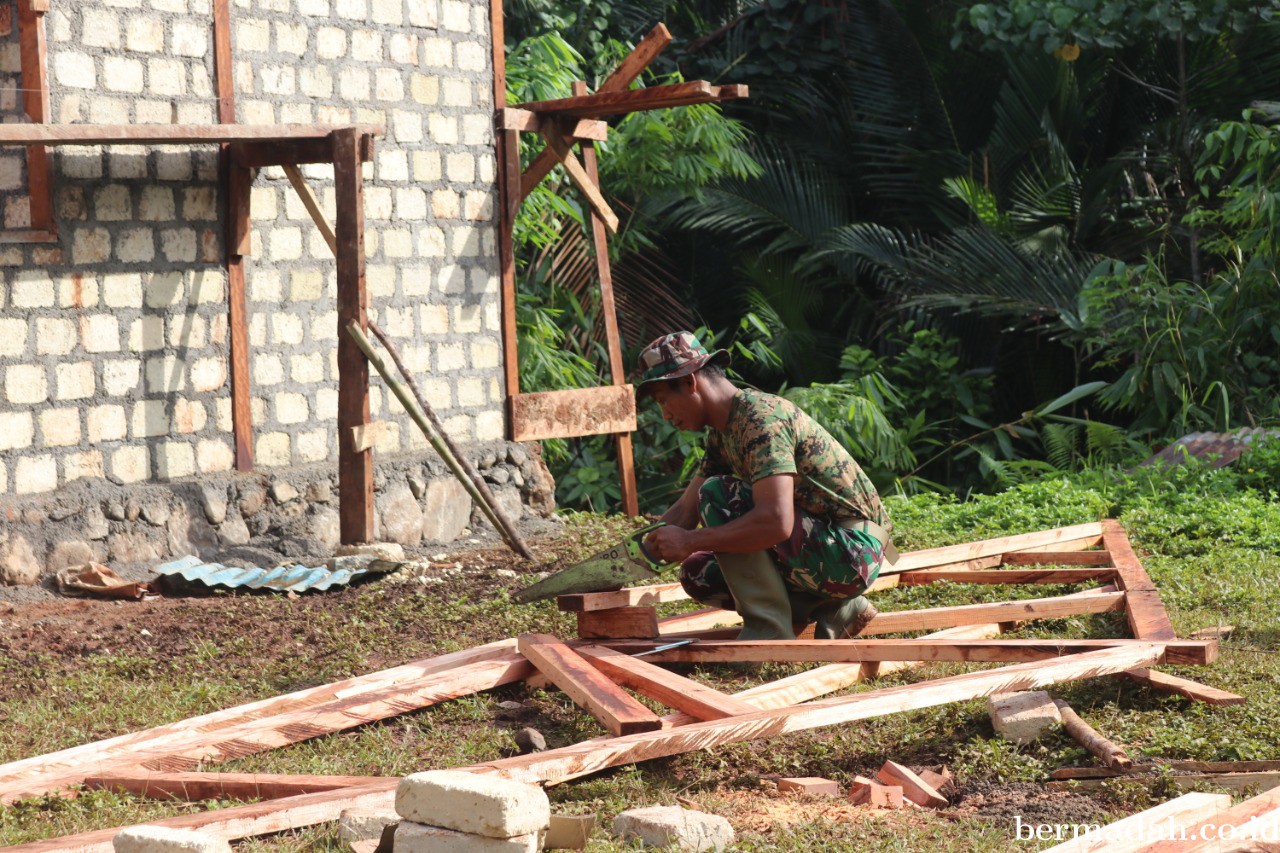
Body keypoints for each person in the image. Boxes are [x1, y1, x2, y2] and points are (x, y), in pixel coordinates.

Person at [634, 331, 896, 641]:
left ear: (690, 382)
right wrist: (631, 557)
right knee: (699, 574)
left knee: (718, 494)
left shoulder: (761, 419)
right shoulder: (723, 431)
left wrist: (690, 540)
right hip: (826, 548)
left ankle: (769, 633)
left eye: (664, 400)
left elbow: (776, 522)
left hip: (853, 552)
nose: (665, 414)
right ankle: (835, 608)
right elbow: (685, 511)